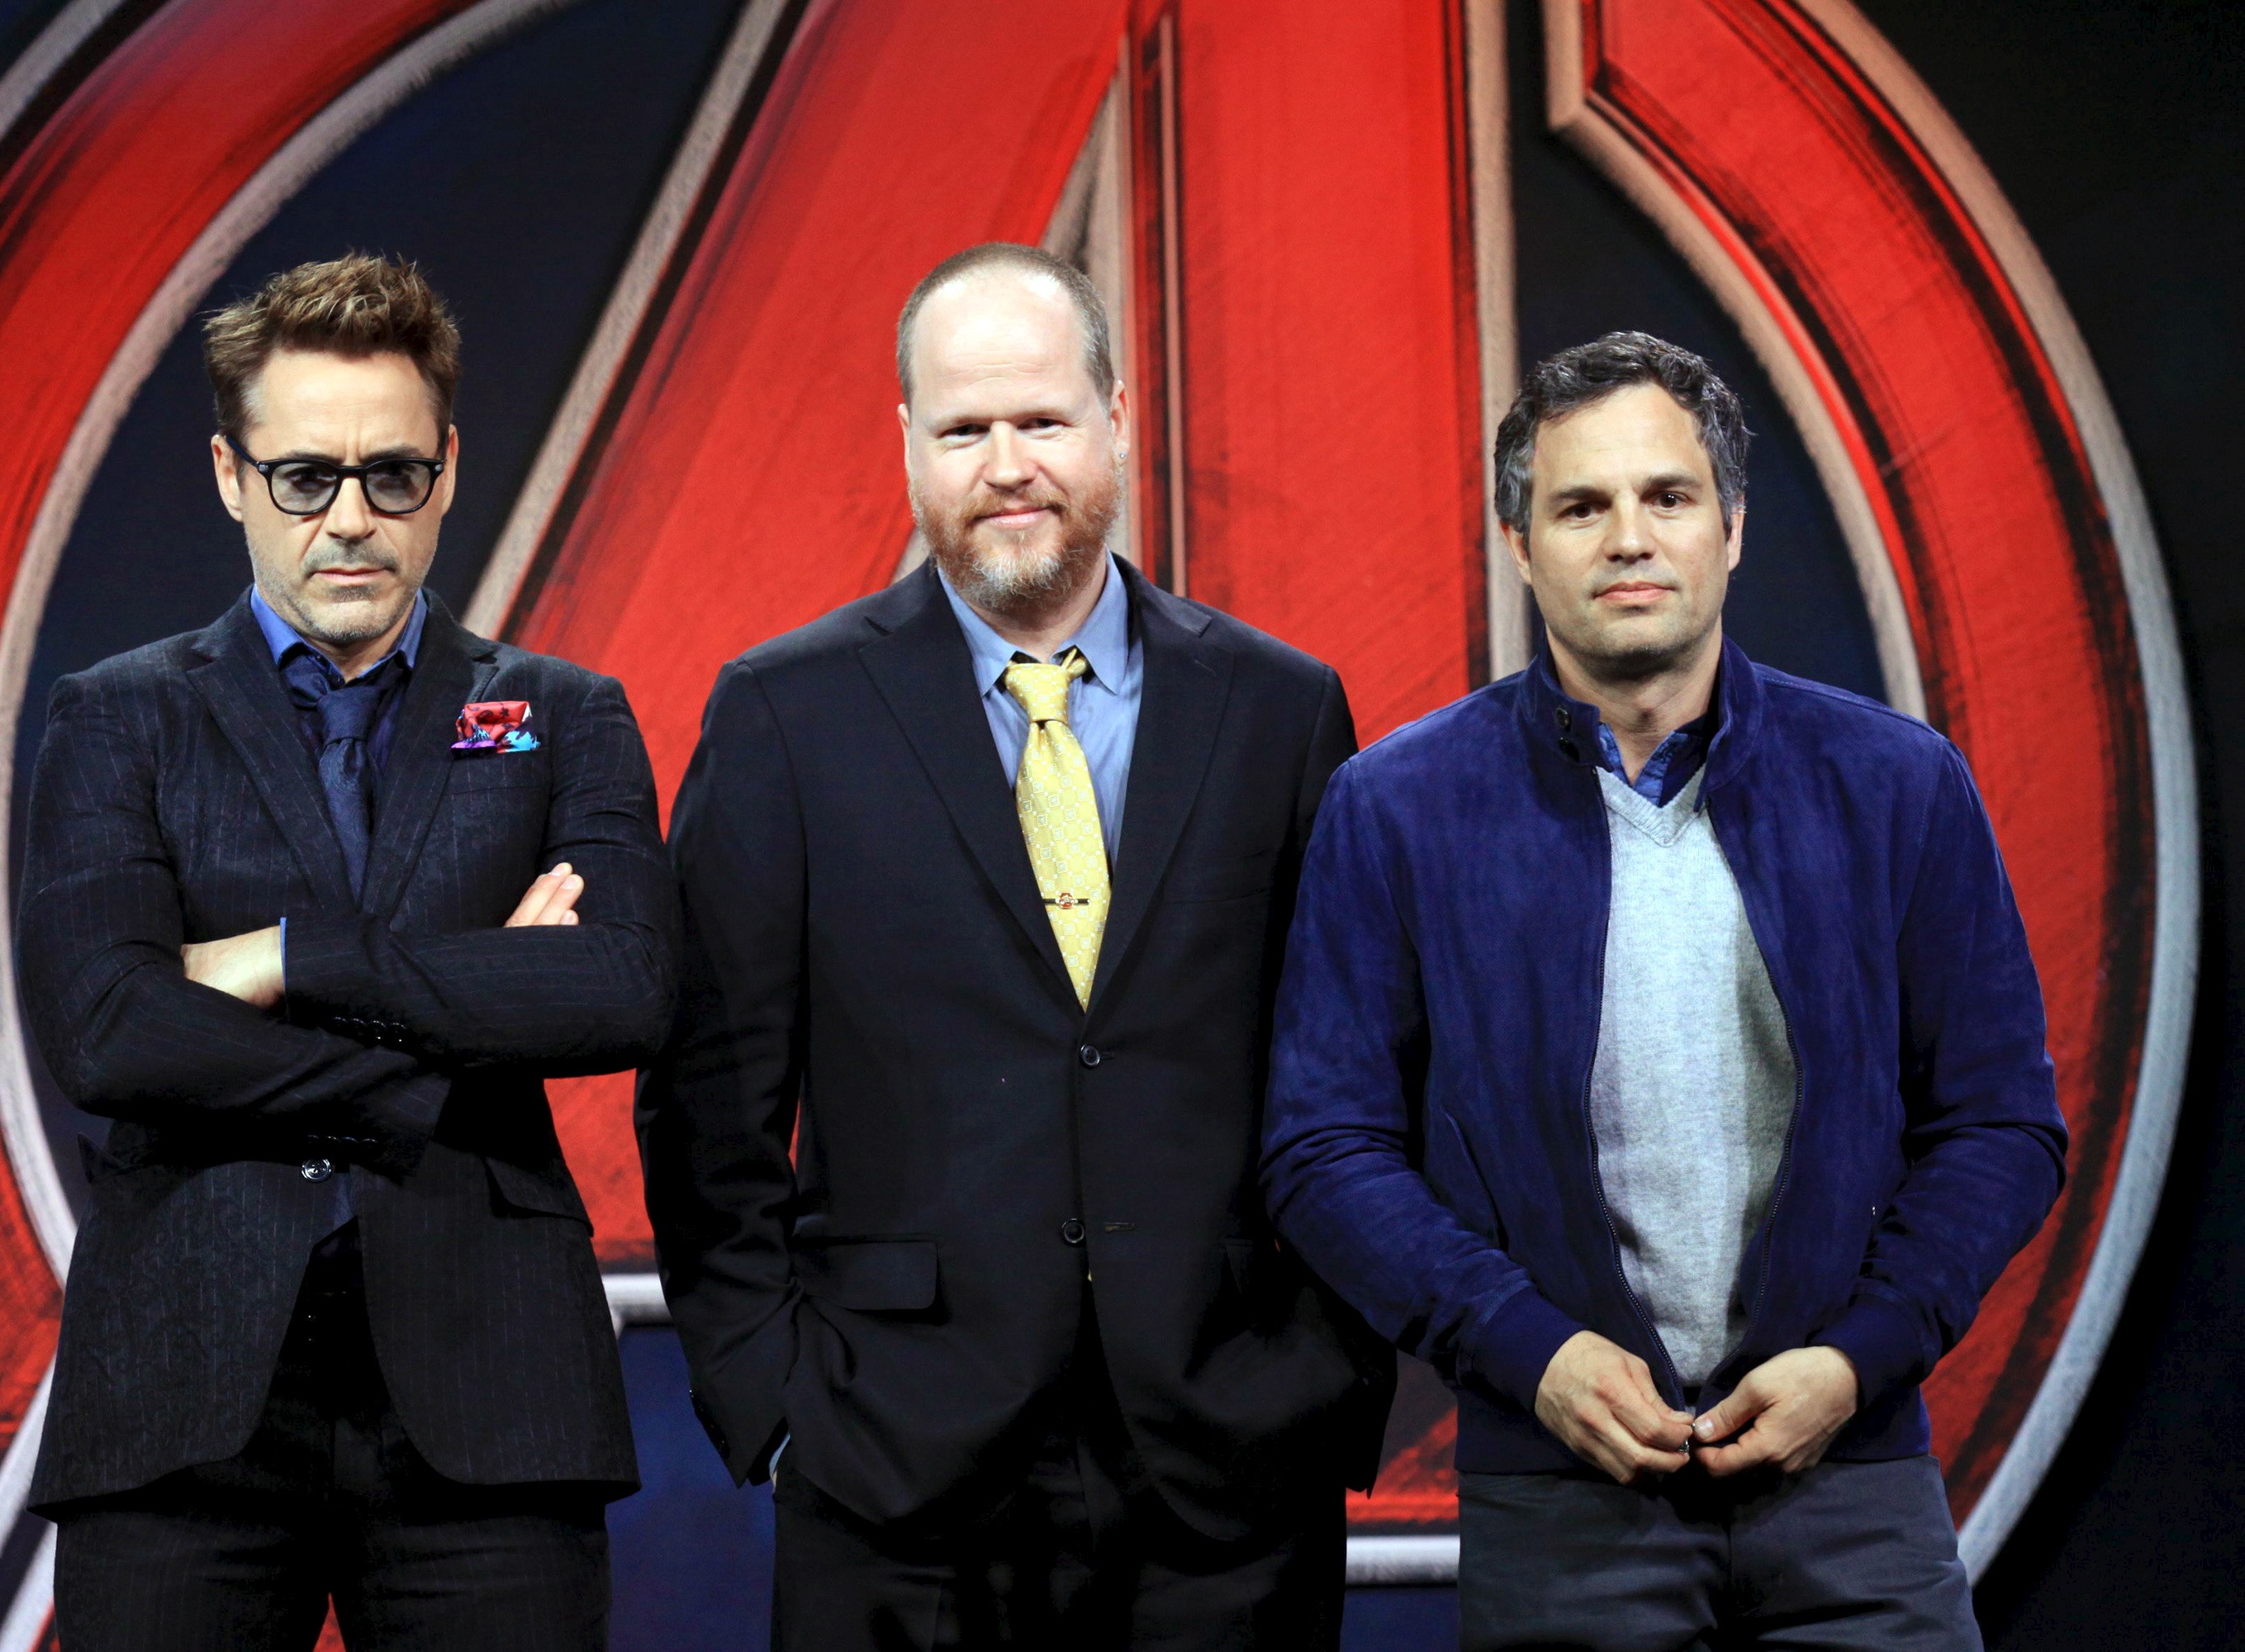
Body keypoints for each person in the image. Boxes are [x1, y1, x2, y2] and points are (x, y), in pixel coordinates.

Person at [1260, 331, 2065, 1650]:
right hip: (1561, 1492)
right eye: (1582, 506)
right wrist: (1530, 1352)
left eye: (1667, 497)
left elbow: (2001, 1126)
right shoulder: (1396, 811)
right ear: (1522, 544)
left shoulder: (1897, 786)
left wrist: (1858, 1358)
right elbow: (1322, 1149)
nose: (1628, 537)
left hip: (1851, 1483)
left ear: (1732, 527)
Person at [638, 243, 1391, 1650]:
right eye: (964, 427)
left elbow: (1351, 1074)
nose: (1006, 463)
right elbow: (708, 1106)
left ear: (1117, 416)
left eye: (1041, 420)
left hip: (1230, 1467)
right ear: (908, 442)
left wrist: (1323, 1379)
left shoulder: (1280, 708)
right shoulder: (785, 716)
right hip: (892, 1473)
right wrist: (778, 1405)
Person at [19, 254, 676, 1650]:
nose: (351, 521)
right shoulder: (117, 717)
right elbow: (109, 1029)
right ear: (228, 475)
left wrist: (284, 955)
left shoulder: (566, 713)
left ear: (445, 471)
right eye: (305, 477)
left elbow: (622, 985)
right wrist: (444, 1043)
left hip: (493, 1388)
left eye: (391, 476)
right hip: (182, 1390)